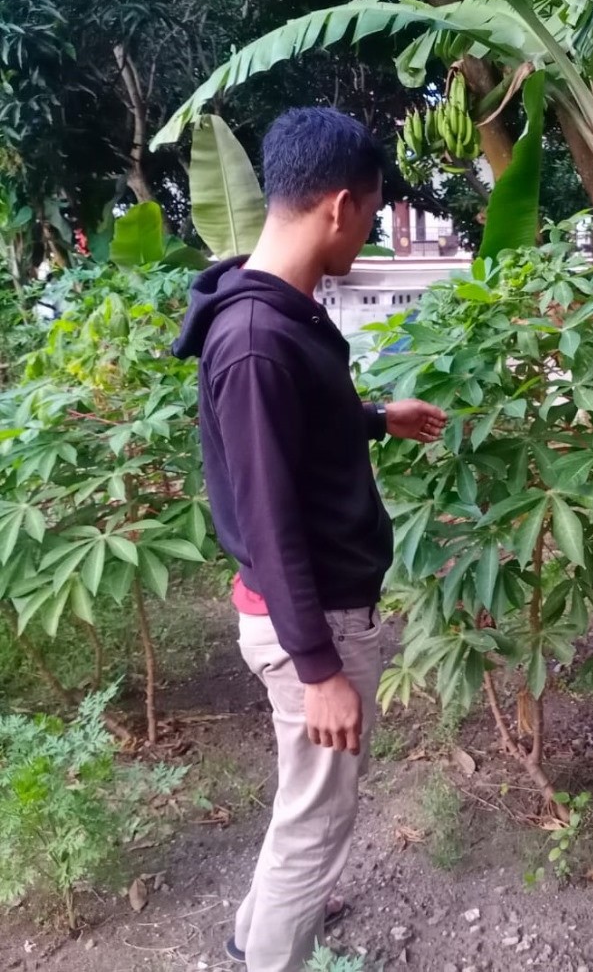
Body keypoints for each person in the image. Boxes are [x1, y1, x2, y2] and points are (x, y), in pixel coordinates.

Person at [173, 108, 446, 971]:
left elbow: (293, 430)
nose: (368, 233)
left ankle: (250, 933)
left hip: (307, 612)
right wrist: (321, 670)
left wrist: (373, 416)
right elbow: (270, 521)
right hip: (313, 622)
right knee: (317, 821)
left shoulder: (272, 314)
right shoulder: (258, 339)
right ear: (338, 206)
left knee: (304, 804)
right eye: (371, 213)